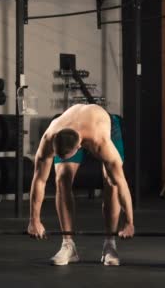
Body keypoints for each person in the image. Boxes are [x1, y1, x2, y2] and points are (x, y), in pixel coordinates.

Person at [27, 104, 134, 266]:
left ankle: (110, 244)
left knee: (112, 183)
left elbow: (121, 183)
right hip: (72, 127)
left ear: (79, 147)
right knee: (61, 178)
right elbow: (39, 180)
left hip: (105, 126)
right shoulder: (49, 137)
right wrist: (34, 219)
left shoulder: (100, 141)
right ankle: (68, 245)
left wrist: (129, 222)